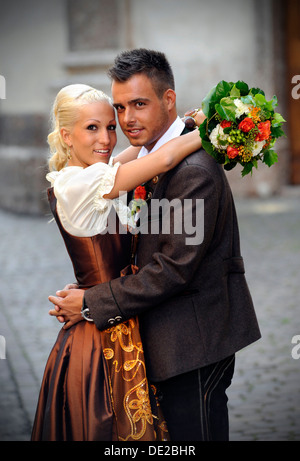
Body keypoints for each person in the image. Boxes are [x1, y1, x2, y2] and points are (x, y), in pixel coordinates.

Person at [48, 49, 261, 441]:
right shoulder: (138, 161)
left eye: (139, 104)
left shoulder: (194, 172)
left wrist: (92, 302)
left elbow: (173, 269)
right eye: (120, 107)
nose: (126, 120)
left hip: (192, 346)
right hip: (154, 340)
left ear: (168, 100)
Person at [31, 83, 203, 441]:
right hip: (100, 332)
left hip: (117, 312)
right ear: (66, 135)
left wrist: (183, 123)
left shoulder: (91, 173)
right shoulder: (82, 185)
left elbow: (139, 150)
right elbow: (164, 159)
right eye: (92, 128)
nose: (108, 138)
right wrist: (214, 133)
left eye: (110, 126)